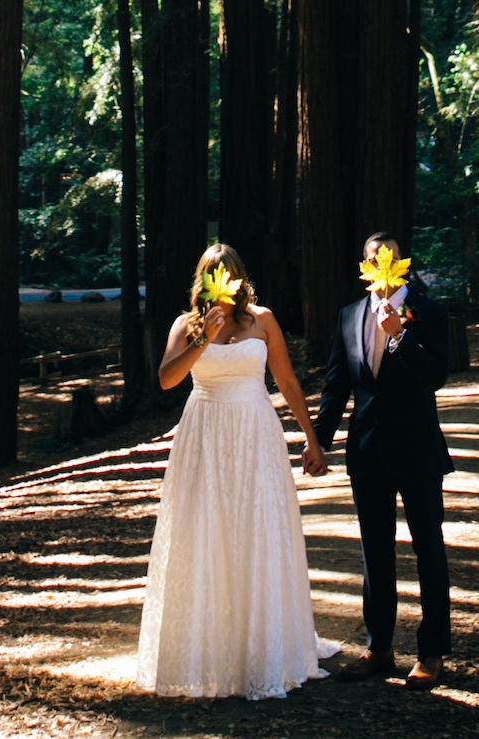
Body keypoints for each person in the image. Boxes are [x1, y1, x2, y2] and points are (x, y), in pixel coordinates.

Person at [137, 244, 338, 700]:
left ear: (240, 277)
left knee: (257, 530)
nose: (221, 281)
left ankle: (264, 647)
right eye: (212, 273)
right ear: (203, 279)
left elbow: (286, 381)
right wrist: (202, 339)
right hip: (204, 433)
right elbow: (168, 379)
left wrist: (311, 439)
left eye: (227, 273)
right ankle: (209, 648)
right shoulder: (186, 325)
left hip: (254, 432)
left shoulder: (262, 320)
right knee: (205, 532)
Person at [302, 232, 454, 690]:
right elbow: (336, 385)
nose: (380, 266)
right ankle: (379, 647)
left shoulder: (428, 312)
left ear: (402, 264)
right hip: (367, 452)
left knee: (429, 549)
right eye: (372, 259)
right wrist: (318, 440)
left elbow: (435, 377)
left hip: (418, 449)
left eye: (388, 258)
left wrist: (400, 337)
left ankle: (432, 651)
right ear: (364, 265)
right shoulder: (350, 315)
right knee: (375, 553)